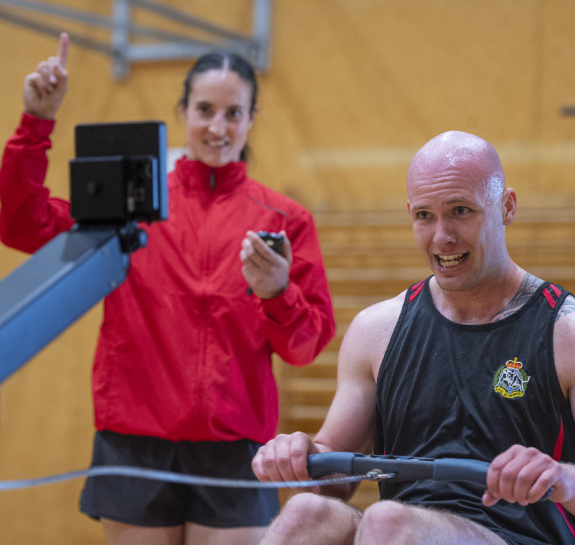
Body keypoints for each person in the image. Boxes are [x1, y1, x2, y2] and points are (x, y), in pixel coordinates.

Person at [0, 33, 336, 545]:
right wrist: (36, 123)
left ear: (251, 118)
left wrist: (277, 292)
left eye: (233, 113)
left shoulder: (285, 221)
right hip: (134, 444)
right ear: (182, 111)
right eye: (205, 109)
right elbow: (19, 222)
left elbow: (305, 346)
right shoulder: (130, 207)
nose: (218, 127)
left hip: (233, 449)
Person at [252, 130, 575, 544]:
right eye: (424, 215)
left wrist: (561, 477)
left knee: (388, 522)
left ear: (506, 207)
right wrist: (299, 456)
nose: (442, 236)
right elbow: (332, 481)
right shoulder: (376, 330)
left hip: (512, 536)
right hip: (398, 529)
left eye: (460, 211)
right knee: (305, 512)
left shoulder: (563, 331)